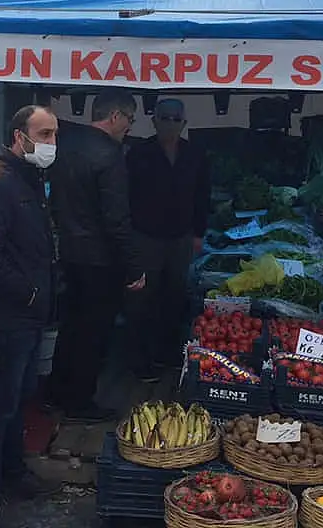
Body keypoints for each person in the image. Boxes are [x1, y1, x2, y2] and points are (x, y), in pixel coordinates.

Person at [0, 105, 61, 526]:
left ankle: (14, 471)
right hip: (9, 314)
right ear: (19, 137)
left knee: (20, 397)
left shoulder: (27, 177)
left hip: (30, 313)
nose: (51, 143)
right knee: (0, 404)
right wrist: (28, 292)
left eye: (54, 134)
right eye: (44, 134)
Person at [48, 88, 145, 423]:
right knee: (93, 334)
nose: (130, 126)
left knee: (71, 326)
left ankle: (57, 392)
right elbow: (117, 220)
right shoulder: (110, 155)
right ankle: (80, 402)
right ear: (115, 116)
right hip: (100, 260)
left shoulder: (67, 145)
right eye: (130, 118)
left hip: (70, 251)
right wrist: (134, 267)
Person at [126, 98, 210, 381]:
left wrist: (198, 233)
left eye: (176, 119)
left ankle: (168, 353)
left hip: (181, 238)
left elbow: (203, 195)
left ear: (184, 123)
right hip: (145, 237)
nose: (170, 123)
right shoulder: (138, 153)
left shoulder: (195, 154)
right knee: (141, 300)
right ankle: (138, 360)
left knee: (175, 297)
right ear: (154, 120)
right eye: (164, 118)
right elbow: (125, 194)